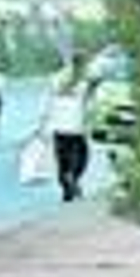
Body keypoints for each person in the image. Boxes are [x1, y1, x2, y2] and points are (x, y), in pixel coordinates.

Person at [44, 54, 92, 203]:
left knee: (62, 159)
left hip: (59, 127)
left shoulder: (56, 78)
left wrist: (45, 124)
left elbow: (50, 102)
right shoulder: (85, 81)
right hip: (76, 127)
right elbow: (87, 104)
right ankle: (73, 179)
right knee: (81, 157)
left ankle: (67, 187)